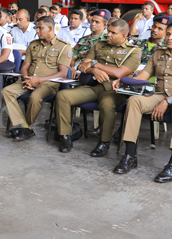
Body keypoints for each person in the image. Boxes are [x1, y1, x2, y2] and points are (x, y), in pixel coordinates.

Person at [112, 22, 172, 182]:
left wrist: (167, 101)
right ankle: (130, 155)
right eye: (168, 34)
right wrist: (122, 80)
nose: (170, 38)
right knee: (135, 101)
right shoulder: (158, 54)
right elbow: (143, 77)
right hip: (161, 95)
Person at [54, 19, 140, 155]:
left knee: (106, 104)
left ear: (124, 36)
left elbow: (119, 72)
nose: (108, 35)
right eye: (108, 31)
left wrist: (96, 65)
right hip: (93, 86)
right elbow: (83, 66)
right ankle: (65, 136)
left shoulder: (133, 51)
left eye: (113, 33)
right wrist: (93, 71)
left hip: (114, 90)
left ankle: (104, 142)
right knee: (63, 96)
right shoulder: (99, 45)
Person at [1, 17, 72, 141]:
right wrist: (27, 79)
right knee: (6, 91)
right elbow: (25, 66)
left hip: (48, 84)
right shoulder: (34, 44)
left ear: (50, 28)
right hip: (29, 80)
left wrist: (38, 80)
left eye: (40, 28)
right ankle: (22, 125)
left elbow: (63, 73)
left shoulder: (63, 46)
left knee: (35, 97)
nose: (37, 31)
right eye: (36, 28)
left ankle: (27, 127)